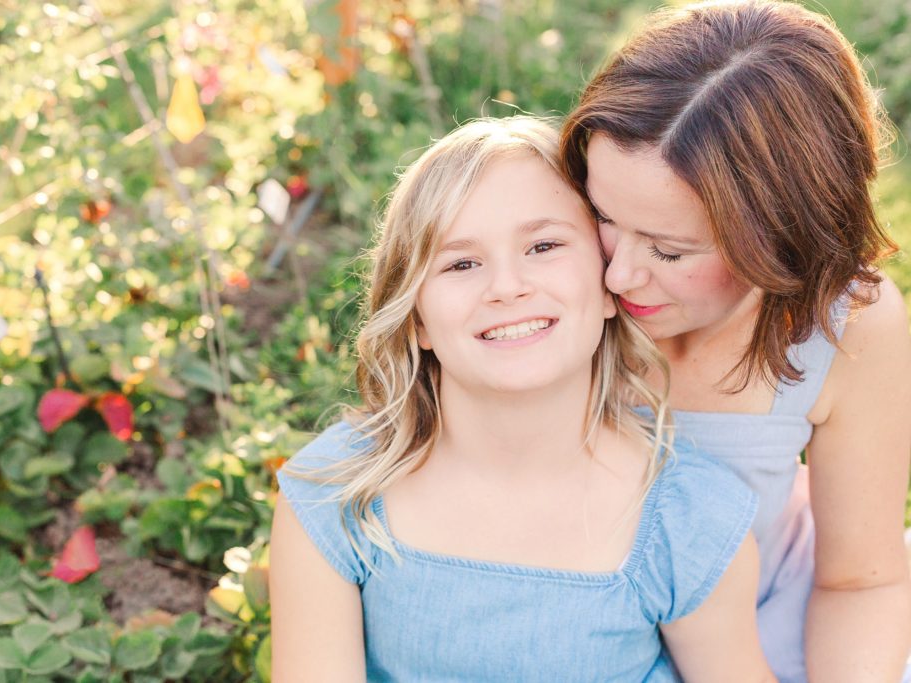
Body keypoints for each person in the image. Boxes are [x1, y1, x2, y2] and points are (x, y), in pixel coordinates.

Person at [270, 116, 776, 681]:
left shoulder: (686, 519)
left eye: (543, 245)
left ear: (610, 283)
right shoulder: (337, 499)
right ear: (417, 320)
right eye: (462, 263)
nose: (507, 286)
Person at [559, 1, 911, 681]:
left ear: (786, 238)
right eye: (601, 213)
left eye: (669, 249)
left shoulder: (847, 324)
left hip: (764, 632)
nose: (618, 272)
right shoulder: (537, 280)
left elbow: (860, 579)